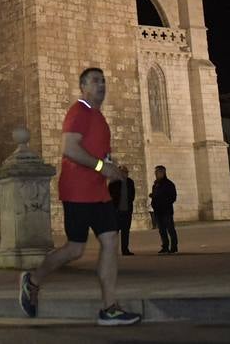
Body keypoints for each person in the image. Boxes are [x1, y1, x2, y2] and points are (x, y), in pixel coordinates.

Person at [19, 67, 142, 327]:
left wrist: (112, 168)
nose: (102, 85)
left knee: (110, 241)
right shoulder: (79, 112)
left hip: (99, 193)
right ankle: (33, 280)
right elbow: (69, 148)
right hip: (77, 191)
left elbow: (99, 155)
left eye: (103, 80)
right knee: (75, 249)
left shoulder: (99, 117)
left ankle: (109, 308)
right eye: (95, 81)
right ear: (83, 87)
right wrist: (101, 167)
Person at [150, 166, 178, 254]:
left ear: (162, 173)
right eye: (155, 173)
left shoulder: (169, 184)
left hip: (166, 210)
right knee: (161, 230)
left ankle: (174, 247)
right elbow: (155, 196)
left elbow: (173, 197)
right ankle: (165, 246)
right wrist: (153, 201)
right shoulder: (155, 184)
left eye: (157, 172)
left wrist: (163, 201)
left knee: (170, 229)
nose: (156, 174)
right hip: (158, 210)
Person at [108, 173, 135, 256]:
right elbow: (109, 194)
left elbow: (132, 194)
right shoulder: (113, 182)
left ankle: (125, 250)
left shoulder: (130, 182)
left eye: (125, 172)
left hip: (127, 211)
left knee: (125, 232)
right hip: (116, 210)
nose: (124, 173)